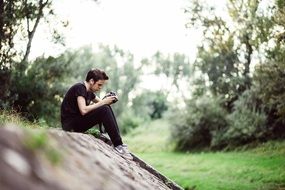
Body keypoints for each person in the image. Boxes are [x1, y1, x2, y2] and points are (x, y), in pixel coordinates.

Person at [60, 68, 132, 159]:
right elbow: (84, 110)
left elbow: (102, 104)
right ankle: (118, 145)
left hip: (77, 123)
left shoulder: (90, 92)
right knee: (104, 109)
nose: (100, 87)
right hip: (70, 125)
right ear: (91, 81)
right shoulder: (80, 88)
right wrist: (103, 102)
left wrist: (109, 99)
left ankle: (118, 143)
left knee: (106, 108)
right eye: (99, 85)